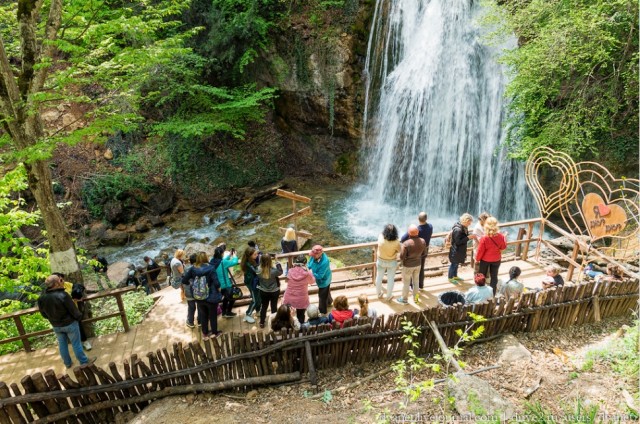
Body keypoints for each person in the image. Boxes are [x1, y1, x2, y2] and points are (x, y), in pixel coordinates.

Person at [37, 275, 95, 368]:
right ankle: (84, 362)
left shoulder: (41, 298)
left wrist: (53, 319)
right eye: (60, 280)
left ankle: (67, 363)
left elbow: (43, 314)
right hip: (70, 324)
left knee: (62, 345)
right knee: (76, 344)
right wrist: (79, 316)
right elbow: (74, 312)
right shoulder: (63, 295)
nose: (62, 281)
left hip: (56, 325)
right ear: (56, 283)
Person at [181, 252, 222, 337]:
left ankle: (205, 333)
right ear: (206, 258)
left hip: (198, 297)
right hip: (211, 296)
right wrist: (219, 289)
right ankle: (215, 333)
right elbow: (217, 283)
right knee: (213, 316)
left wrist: (193, 285)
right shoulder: (211, 268)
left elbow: (184, 280)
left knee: (203, 315)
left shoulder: (192, 269)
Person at [55, 273, 92, 351]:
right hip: (64, 315)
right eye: (60, 280)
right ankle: (77, 349)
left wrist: (78, 295)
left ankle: (84, 342)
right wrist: (73, 300)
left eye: (62, 279)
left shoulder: (67, 284)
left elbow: (75, 289)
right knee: (69, 332)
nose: (62, 281)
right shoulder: (54, 291)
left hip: (74, 311)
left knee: (79, 326)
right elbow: (60, 302)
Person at [400, 212, 433, 290]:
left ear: (418, 219)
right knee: (421, 267)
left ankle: (412, 286)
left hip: (415, 250)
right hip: (425, 249)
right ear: (426, 219)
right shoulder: (430, 227)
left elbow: (403, 239)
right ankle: (420, 285)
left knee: (413, 266)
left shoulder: (417, 229)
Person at [475, 217, 507, 295]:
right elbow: (503, 247)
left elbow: (480, 251)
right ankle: (492, 293)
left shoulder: (484, 238)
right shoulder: (501, 236)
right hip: (496, 259)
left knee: (482, 276)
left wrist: (477, 259)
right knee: (494, 277)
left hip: (485, 260)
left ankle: (481, 292)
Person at [396, 225, 426, 304]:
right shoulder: (423, 241)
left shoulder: (406, 244)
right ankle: (416, 299)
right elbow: (424, 253)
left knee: (406, 283)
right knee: (416, 282)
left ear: (409, 233)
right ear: (418, 232)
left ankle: (404, 299)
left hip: (408, 266)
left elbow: (402, 257)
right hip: (418, 264)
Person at [282, 255, 315, 325]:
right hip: (301, 298)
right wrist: (308, 270)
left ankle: (289, 328)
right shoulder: (307, 273)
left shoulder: (290, 271)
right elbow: (312, 282)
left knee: (288, 315)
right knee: (300, 315)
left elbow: (287, 281)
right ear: (305, 264)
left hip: (289, 296)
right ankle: (301, 328)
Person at [448, 213, 476, 283]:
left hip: (459, 251)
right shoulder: (458, 229)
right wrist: (468, 237)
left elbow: (462, 237)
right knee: (453, 264)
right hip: (456, 250)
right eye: (469, 222)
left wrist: (468, 236)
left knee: (456, 264)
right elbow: (458, 242)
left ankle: (455, 276)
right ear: (465, 221)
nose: (470, 224)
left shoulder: (464, 227)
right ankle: (450, 278)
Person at [257, 254, 283, 329]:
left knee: (264, 306)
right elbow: (280, 271)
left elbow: (260, 266)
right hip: (274, 291)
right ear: (270, 261)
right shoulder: (274, 271)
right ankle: (273, 322)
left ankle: (262, 322)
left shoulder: (258, 270)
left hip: (263, 291)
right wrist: (277, 260)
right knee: (274, 307)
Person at [376, 224, 401, 301]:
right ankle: (389, 296)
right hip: (391, 262)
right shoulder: (396, 242)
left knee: (379, 278)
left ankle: (379, 294)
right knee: (390, 279)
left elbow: (381, 234)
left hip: (380, 260)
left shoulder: (381, 238)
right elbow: (400, 251)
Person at [212, 245, 239, 318]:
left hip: (217, 284)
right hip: (225, 284)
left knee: (225, 298)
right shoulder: (223, 262)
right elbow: (234, 262)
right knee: (232, 297)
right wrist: (235, 255)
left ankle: (224, 312)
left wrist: (229, 255)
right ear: (221, 254)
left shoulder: (213, 260)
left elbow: (223, 261)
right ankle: (228, 312)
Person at [308, 245, 332, 315]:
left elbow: (320, 275)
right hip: (320, 279)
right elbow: (309, 263)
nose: (312, 256)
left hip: (324, 280)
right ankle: (329, 302)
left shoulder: (325, 261)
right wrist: (307, 268)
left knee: (321, 296)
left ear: (319, 254)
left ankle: (323, 311)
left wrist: (309, 274)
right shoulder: (314, 256)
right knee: (326, 292)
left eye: (313, 255)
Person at [240, 247, 260, 324]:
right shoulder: (249, 264)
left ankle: (258, 311)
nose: (257, 255)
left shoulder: (250, 261)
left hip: (254, 282)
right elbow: (257, 271)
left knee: (258, 297)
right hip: (252, 284)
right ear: (250, 255)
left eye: (257, 253)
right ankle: (248, 314)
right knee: (254, 299)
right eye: (255, 254)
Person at [183, 253, 199, 328]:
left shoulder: (186, 268)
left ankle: (190, 321)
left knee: (191, 307)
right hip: (198, 290)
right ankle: (200, 321)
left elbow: (184, 280)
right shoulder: (199, 268)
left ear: (190, 261)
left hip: (189, 290)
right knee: (200, 305)